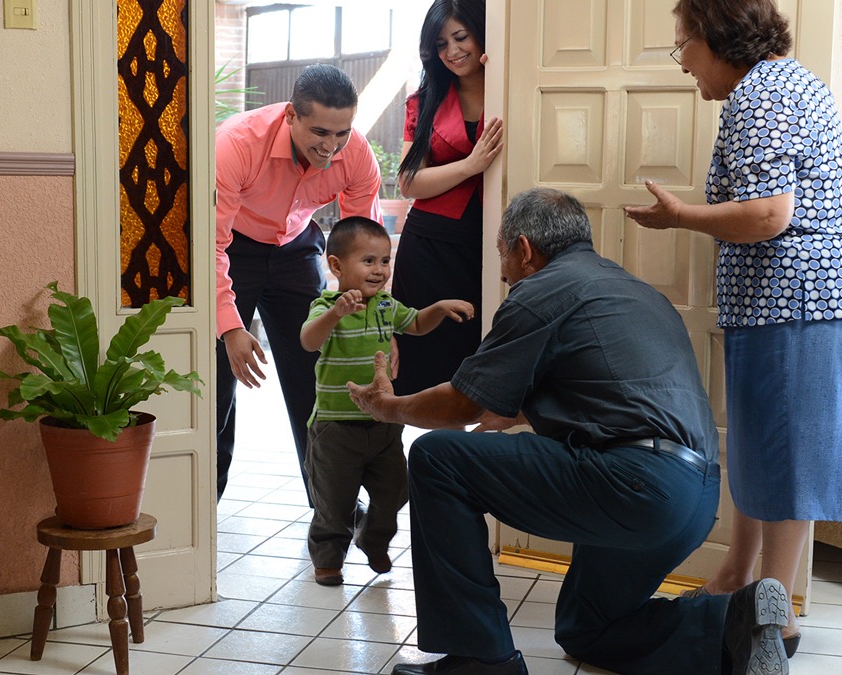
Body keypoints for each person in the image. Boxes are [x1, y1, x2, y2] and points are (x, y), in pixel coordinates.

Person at [349, 188, 792, 675]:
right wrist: (517, 413)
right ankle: (734, 622)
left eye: (502, 255)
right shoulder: (634, 290)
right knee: (588, 629)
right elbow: (611, 394)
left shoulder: (540, 292)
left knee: (437, 458)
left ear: (524, 249)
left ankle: (481, 659)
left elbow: (462, 404)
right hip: (696, 499)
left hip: (633, 485)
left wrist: (389, 408)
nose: (504, 273)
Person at [624, 0, 842, 657]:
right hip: (784, 306)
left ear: (717, 37)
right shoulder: (774, 85)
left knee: (787, 460)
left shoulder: (763, 94)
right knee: (765, 450)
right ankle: (740, 576)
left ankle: (774, 616)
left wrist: (681, 217)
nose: (682, 63)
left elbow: (769, 215)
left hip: (800, 305)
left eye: (683, 45)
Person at [214, 64, 382, 500]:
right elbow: (210, 245)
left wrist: (372, 322)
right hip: (233, 249)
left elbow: (364, 246)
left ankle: (332, 508)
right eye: (320, 132)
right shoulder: (236, 143)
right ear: (291, 115)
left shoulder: (355, 153)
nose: (331, 146)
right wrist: (230, 329)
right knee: (217, 381)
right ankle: (202, 507)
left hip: (295, 246)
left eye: (342, 133)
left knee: (317, 376)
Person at [300, 216, 474, 587]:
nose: (379, 270)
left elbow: (416, 324)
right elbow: (309, 340)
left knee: (396, 490)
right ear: (336, 266)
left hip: (383, 422)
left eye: (384, 261)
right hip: (335, 426)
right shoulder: (326, 304)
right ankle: (328, 559)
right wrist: (336, 313)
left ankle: (373, 539)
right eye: (368, 261)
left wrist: (439, 308)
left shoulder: (385, 305)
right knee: (334, 500)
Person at [391, 0, 504, 396]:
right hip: (429, 247)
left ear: (481, 34)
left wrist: (501, 66)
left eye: (461, 37)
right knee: (426, 366)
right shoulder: (424, 100)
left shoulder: (511, 85)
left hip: (493, 243)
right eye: (441, 44)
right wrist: (471, 165)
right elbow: (408, 182)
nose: (452, 51)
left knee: (488, 363)